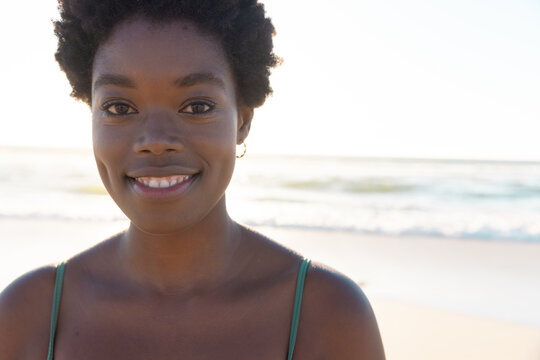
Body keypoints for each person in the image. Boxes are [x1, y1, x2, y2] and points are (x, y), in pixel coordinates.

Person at [0, 0, 385, 358]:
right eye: (119, 107)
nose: (155, 141)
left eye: (196, 106)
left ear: (243, 120)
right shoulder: (29, 314)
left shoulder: (327, 313)